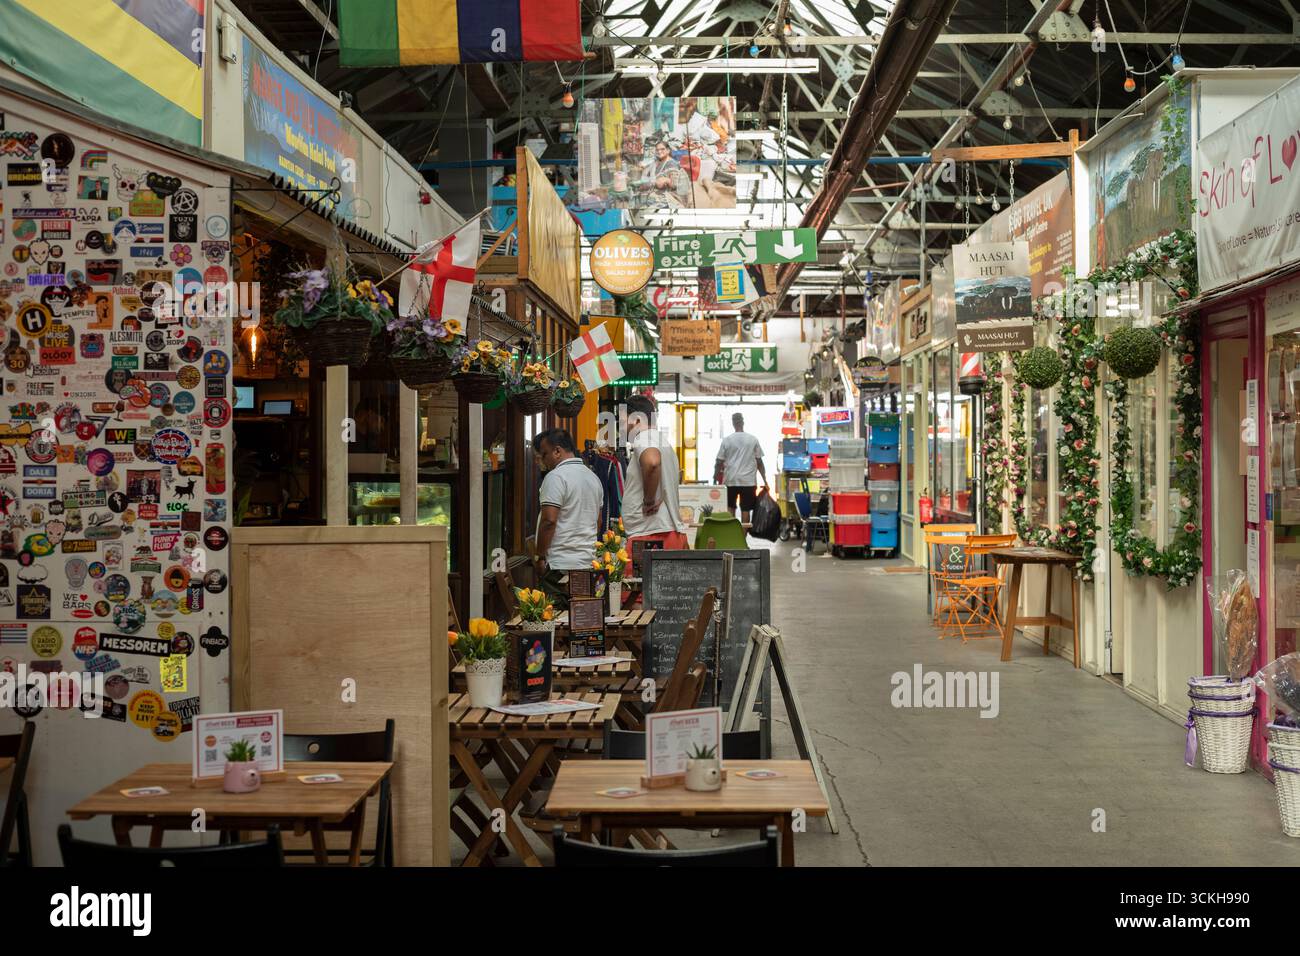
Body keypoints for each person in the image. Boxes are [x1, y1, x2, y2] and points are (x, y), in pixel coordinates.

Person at [533, 428, 603, 609]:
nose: (543, 460)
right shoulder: (593, 478)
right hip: (587, 564)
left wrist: (540, 557)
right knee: (582, 624)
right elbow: (598, 523)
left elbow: (549, 521)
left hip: (559, 566)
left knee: (555, 624)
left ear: (557, 451)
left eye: (544, 454)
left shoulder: (555, 477)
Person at [621, 395, 689, 551]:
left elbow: (652, 463)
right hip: (661, 533)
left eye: (623, 422)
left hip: (651, 536)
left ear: (637, 420)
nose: (621, 428)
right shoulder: (661, 441)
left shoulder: (645, 437)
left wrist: (649, 501)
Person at [714, 413, 767, 523]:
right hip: (748, 481)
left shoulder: (727, 440)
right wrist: (765, 479)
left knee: (730, 508)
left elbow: (719, 461)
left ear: (733, 423)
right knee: (746, 510)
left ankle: (731, 535)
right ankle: (743, 538)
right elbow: (759, 462)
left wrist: (715, 477)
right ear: (743, 422)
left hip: (730, 480)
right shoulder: (752, 439)